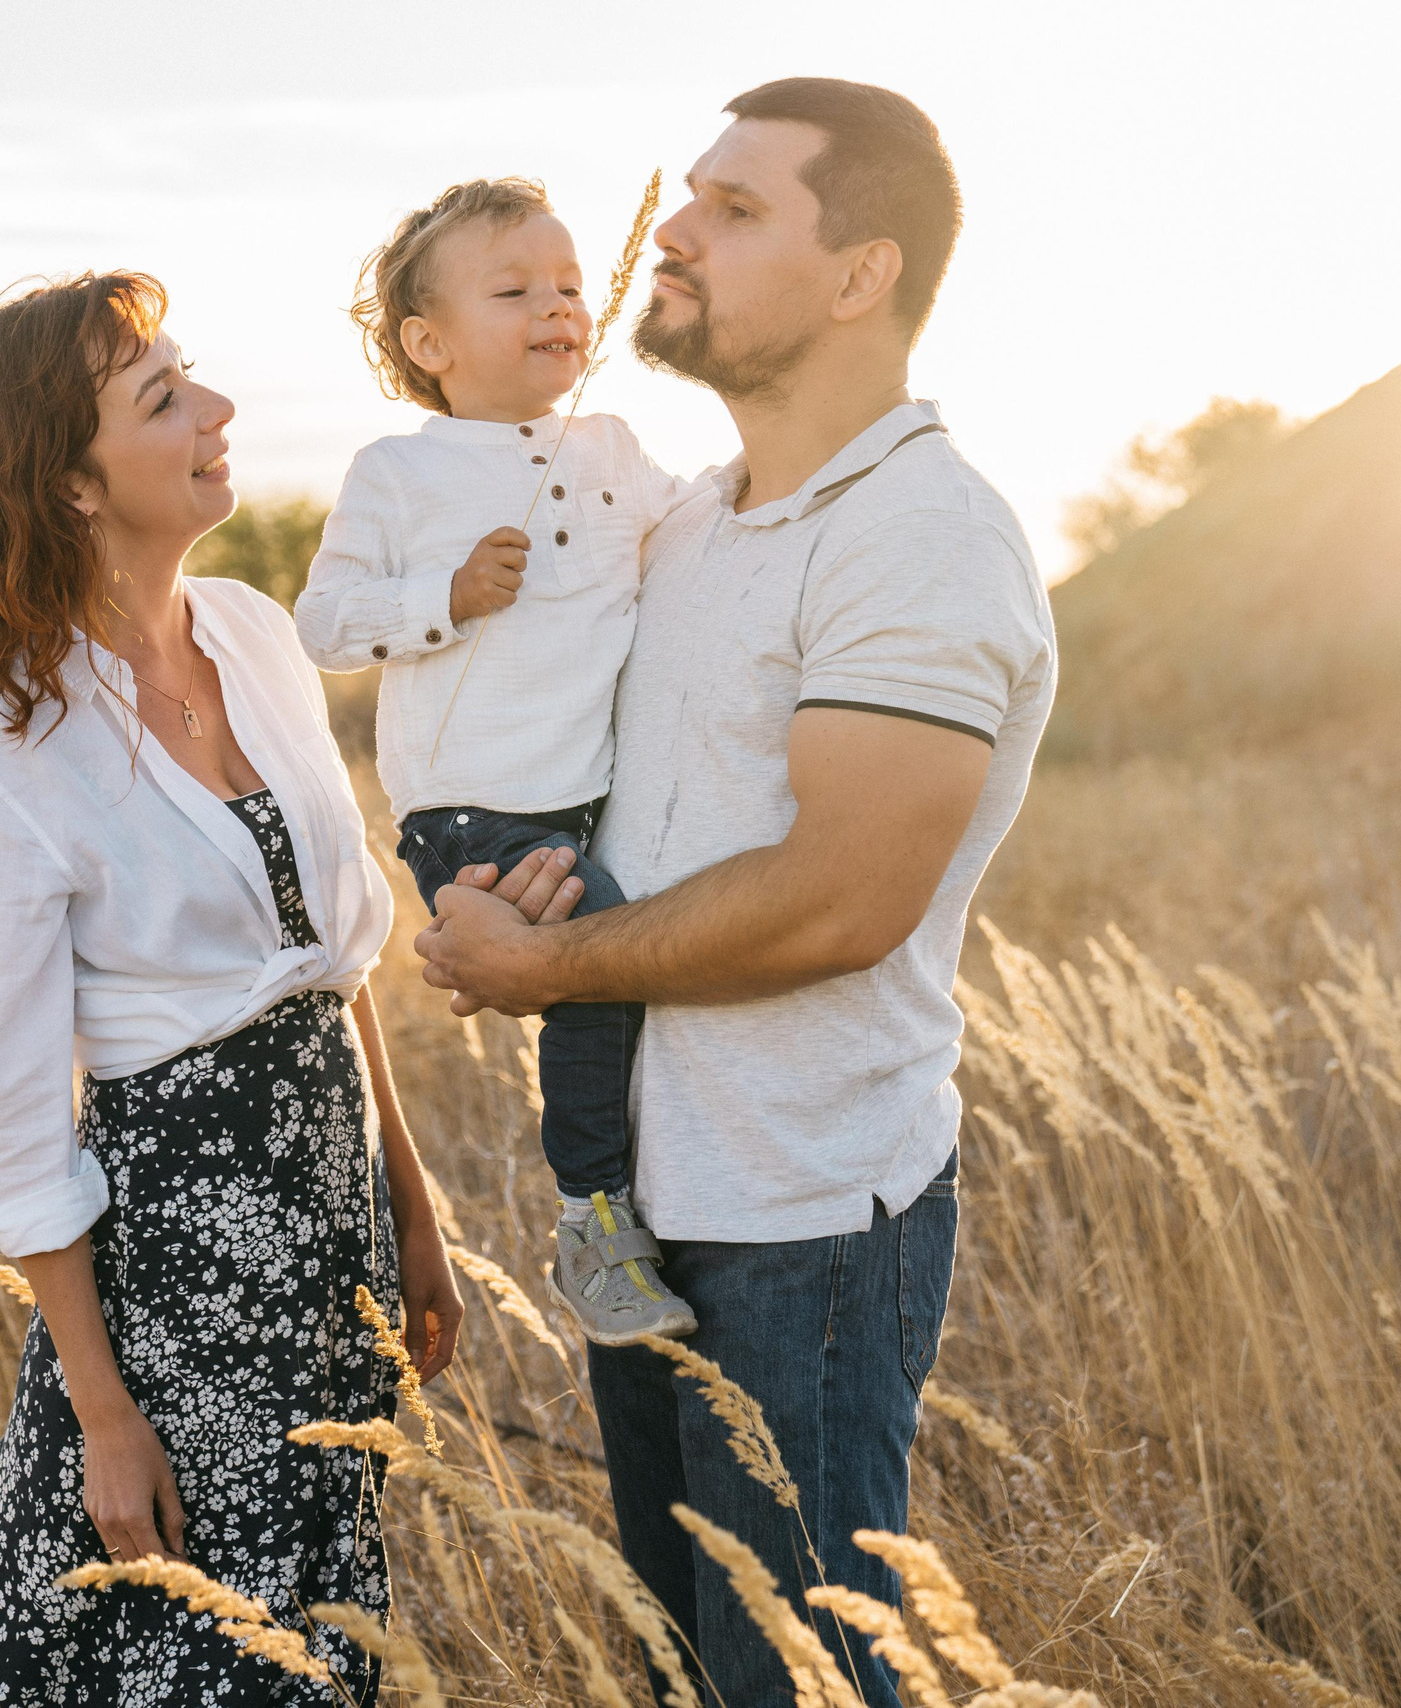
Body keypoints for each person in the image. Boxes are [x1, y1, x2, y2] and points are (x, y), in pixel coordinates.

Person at [413, 79, 1058, 1708]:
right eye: (690, 195)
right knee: (683, 1669)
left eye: (739, 208)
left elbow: (842, 898)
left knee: (802, 1680)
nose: (673, 231)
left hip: (805, 1217)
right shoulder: (695, 517)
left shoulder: (920, 534)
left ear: (863, 276)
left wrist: (546, 964)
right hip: (648, 1203)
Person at [0, 271, 463, 1707]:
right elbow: (21, 1133)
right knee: (177, 1631)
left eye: (191, 377)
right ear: (69, 485)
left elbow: (335, 958)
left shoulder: (258, 636)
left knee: (312, 1614)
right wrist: (99, 1409)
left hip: (327, 1220)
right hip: (176, 1262)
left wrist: (411, 1196)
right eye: (163, 401)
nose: (217, 411)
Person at [294, 177, 698, 1345]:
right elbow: (325, 625)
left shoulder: (612, 444)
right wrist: (447, 595)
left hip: (590, 798)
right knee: (595, 971)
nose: (557, 306)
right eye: (514, 289)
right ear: (430, 344)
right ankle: (591, 1217)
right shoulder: (400, 474)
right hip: (474, 813)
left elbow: (695, 530)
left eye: (569, 286)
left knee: (623, 971)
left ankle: (636, 1192)